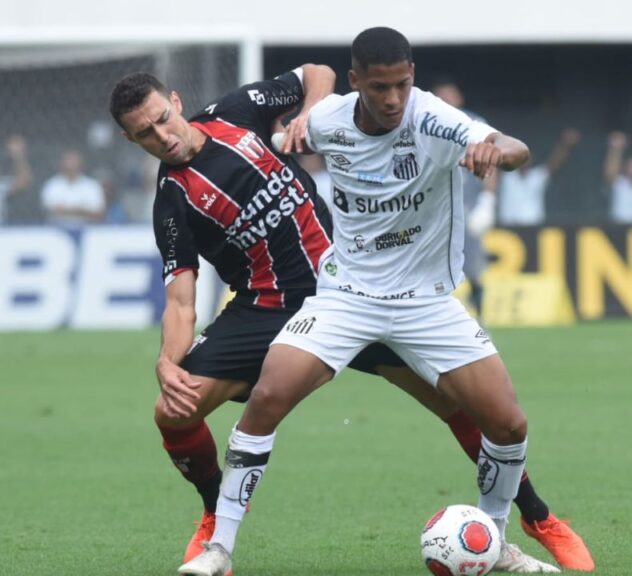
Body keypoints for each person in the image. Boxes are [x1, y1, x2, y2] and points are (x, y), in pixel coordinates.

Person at [109, 63, 589, 576]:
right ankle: (214, 517)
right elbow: (182, 300)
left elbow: (317, 71)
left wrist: (309, 113)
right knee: (173, 412)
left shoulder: (237, 111)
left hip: (350, 285)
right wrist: (167, 361)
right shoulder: (172, 200)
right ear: (131, 140)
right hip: (265, 306)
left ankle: (534, 519)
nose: (163, 136)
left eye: (163, 119)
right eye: (145, 135)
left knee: (459, 402)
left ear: (176, 102)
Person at [431, 77, 498, 318]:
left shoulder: (474, 123)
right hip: (433, 208)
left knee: (473, 268)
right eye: (441, 96)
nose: (446, 101)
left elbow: (492, 158)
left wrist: (488, 201)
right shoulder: (426, 124)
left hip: (466, 206)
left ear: (459, 97)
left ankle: (480, 319)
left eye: (449, 95)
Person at [497, 128, 580, 227]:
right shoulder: (507, 176)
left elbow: (554, 164)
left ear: (532, 159)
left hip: (534, 229)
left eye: (527, 158)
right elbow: (494, 163)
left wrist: (565, 146)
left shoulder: (537, 176)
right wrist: (499, 142)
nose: (524, 161)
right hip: (508, 229)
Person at [40, 150, 106, 225]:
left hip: (87, 228)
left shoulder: (92, 186)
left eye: (74, 162)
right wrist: (82, 211)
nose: (71, 165)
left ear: (80, 164)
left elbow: (98, 213)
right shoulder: (52, 185)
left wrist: (66, 210)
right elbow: (50, 210)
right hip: (57, 229)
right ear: (62, 164)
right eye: (68, 161)